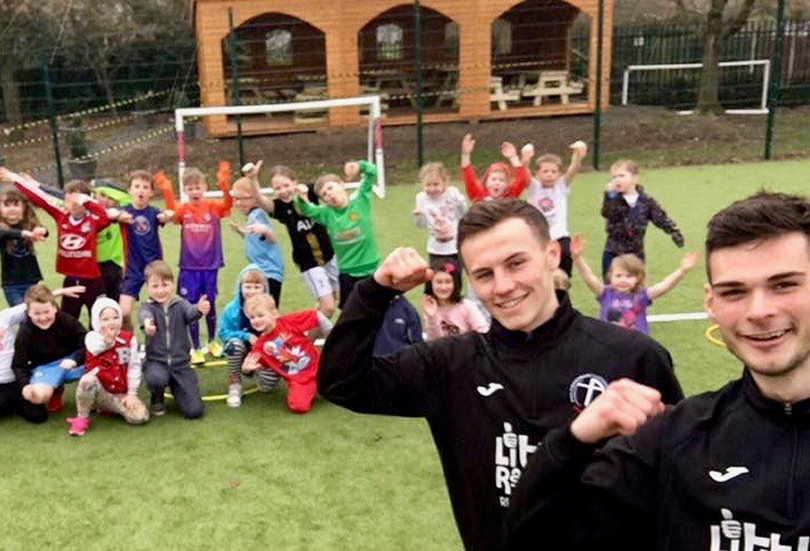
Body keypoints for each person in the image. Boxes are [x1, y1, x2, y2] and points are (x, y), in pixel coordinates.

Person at [317, 198, 684, 550]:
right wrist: (376, 291)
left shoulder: (633, 356)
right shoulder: (450, 365)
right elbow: (342, 381)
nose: (504, 286)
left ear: (552, 254)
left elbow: (678, 485)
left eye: (516, 263)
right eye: (484, 274)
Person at [504, 191, 810, 550]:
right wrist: (573, 439)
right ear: (710, 303)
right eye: (734, 292)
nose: (759, 311)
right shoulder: (675, 439)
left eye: (784, 284)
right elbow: (536, 536)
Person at [3, 170, 129, 319]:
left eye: (78, 201)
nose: (73, 205)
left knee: (98, 319)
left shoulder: (94, 220)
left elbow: (102, 213)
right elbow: (40, 198)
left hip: (93, 280)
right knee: (66, 319)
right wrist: (14, 178)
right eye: (69, 201)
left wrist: (85, 199)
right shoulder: (61, 215)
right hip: (70, 279)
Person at [156, 163, 232, 363]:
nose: (194, 191)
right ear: (185, 190)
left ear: (205, 187)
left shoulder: (213, 207)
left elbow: (228, 204)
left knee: (210, 304)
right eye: (190, 188)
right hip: (189, 267)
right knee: (191, 306)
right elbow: (171, 213)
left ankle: (213, 341)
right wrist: (167, 190)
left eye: (197, 187)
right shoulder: (183, 209)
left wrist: (224, 182)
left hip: (210, 266)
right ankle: (196, 347)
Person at [244, 162, 338, 318]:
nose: (283, 191)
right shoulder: (281, 208)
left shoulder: (310, 193)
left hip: (330, 257)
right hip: (308, 263)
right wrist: (253, 179)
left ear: (295, 183)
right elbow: (261, 201)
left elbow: (328, 187)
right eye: (277, 188)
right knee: (328, 308)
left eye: (286, 185)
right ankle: (308, 339)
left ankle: (305, 333)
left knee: (329, 303)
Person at [293, 160, 380, 309]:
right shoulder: (326, 213)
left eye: (331, 188)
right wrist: (300, 196)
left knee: (378, 310)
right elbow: (305, 209)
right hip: (347, 273)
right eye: (324, 195)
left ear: (342, 184)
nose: (329, 195)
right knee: (350, 313)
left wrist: (359, 166)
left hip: (371, 269)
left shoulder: (360, 200)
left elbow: (372, 173)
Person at [571, 235, 699, 334]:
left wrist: (682, 271)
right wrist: (577, 258)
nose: (623, 280)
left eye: (629, 276)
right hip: (608, 345)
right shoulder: (605, 293)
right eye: (618, 276)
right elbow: (589, 278)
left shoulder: (642, 295)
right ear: (610, 276)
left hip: (636, 347)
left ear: (638, 278)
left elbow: (664, 286)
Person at [0, 285, 84, 422]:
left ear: (55, 309)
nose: (43, 317)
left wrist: (76, 359)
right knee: (38, 399)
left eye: (46, 312)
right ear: (28, 314)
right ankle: (55, 390)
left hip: (73, 361)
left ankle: (98, 400)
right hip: (46, 368)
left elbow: (87, 343)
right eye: (37, 314)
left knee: (98, 370)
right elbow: (19, 364)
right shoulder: (25, 332)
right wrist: (25, 386)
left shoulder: (67, 321)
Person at [67, 297, 149, 436]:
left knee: (140, 417)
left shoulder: (129, 340)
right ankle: (82, 418)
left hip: (119, 394)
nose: (111, 322)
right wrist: (108, 341)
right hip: (99, 391)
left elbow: (134, 367)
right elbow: (95, 348)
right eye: (105, 319)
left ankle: (110, 408)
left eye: (115, 317)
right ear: (97, 322)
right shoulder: (92, 337)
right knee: (87, 380)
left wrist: (132, 394)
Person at [138, 260, 209, 419]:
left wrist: (198, 309)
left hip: (180, 364)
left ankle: (178, 388)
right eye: (155, 286)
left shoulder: (180, 304)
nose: (161, 290)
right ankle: (157, 395)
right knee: (156, 379)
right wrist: (148, 325)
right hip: (157, 362)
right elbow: (144, 317)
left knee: (194, 411)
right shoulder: (147, 307)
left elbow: (190, 313)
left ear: (172, 285)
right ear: (147, 287)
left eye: (165, 285)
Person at [242, 293, 332, 413]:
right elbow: (251, 369)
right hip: (299, 379)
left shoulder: (288, 322)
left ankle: (324, 385)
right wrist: (245, 369)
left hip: (321, 365)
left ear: (273, 313)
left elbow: (315, 315)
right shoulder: (259, 347)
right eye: (252, 317)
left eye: (260, 315)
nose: (256, 320)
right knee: (298, 406)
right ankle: (316, 387)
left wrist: (333, 339)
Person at [601, 159, 684, 279]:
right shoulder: (613, 199)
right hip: (613, 252)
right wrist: (609, 196)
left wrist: (673, 231)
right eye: (614, 177)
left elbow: (660, 218)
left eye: (622, 175)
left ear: (635, 178)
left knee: (637, 288)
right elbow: (608, 213)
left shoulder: (646, 201)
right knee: (611, 290)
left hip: (636, 253)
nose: (617, 179)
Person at [520, 140, 587, 277]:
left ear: (559, 174)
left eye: (553, 171)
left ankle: (562, 293)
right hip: (539, 237)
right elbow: (524, 172)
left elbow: (574, 167)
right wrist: (525, 159)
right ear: (537, 173)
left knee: (563, 274)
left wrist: (578, 154)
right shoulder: (533, 187)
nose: (549, 174)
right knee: (539, 273)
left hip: (560, 237)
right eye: (545, 171)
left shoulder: (561, 186)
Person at [119, 170, 174, 331]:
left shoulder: (153, 212)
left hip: (154, 267)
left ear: (151, 193)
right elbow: (110, 214)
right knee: (124, 311)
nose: (141, 190)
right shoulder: (124, 212)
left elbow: (163, 217)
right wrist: (117, 215)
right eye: (137, 186)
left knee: (161, 309)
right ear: (129, 190)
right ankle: (130, 343)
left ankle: (162, 343)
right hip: (132, 268)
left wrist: (167, 215)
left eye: (145, 187)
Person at [217, 264, 269, 408]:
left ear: (264, 288)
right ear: (240, 287)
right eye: (248, 286)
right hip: (242, 349)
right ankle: (235, 383)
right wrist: (246, 336)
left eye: (257, 286)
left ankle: (255, 372)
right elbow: (223, 333)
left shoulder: (269, 308)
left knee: (267, 385)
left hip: (261, 353)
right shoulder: (232, 309)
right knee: (233, 345)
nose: (252, 291)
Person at [228, 176, 284, 306]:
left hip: (269, 273)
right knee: (259, 310)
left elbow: (272, 238)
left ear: (257, 198)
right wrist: (240, 231)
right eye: (236, 198)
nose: (239, 203)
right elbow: (255, 239)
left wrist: (264, 229)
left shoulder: (257, 214)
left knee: (266, 311)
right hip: (262, 271)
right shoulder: (251, 216)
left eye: (245, 198)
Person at [413, 161, 468, 275]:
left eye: (436, 184)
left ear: (444, 183)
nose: (432, 189)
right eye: (428, 185)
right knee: (436, 278)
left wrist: (461, 202)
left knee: (454, 277)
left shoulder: (452, 194)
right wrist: (419, 216)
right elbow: (420, 225)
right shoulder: (421, 198)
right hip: (435, 249)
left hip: (454, 248)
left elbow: (464, 215)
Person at [0, 184, 48, 306]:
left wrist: (41, 230)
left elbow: (44, 231)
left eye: (16, 204)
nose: (12, 208)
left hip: (32, 280)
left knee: (33, 312)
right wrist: (23, 234)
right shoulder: (3, 228)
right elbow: (5, 234)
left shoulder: (28, 223)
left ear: (24, 207)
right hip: (12, 284)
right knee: (22, 313)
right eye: (7, 205)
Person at [422, 260, 488, 340]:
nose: (443, 287)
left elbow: (484, 332)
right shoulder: (430, 308)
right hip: (442, 351)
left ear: (455, 284)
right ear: (431, 284)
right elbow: (433, 342)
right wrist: (431, 317)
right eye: (439, 282)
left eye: (448, 282)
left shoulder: (466, 306)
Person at [92, 180, 132, 302]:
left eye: (110, 197)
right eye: (102, 195)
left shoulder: (120, 214)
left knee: (116, 304)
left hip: (114, 266)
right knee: (97, 305)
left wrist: (99, 184)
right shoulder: (87, 214)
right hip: (92, 267)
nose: (105, 200)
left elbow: (127, 198)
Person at [460, 134, 527, 202]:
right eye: (493, 179)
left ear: (507, 185)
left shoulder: (510, 195)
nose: (497, 183)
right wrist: (465, 155)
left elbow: (522, 180)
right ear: (486, 182)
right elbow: (469, 180)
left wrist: (513, 157)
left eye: (501, 180)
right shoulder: (479, 195)